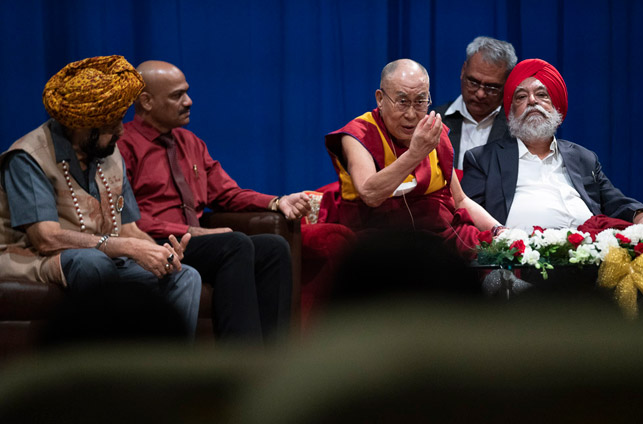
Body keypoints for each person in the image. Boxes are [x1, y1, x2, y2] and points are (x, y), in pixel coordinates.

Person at [0, 55, 202, 338]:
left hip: (100, 256)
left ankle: (166, 375)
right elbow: (45, 238)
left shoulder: (108, 151)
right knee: (91, 262)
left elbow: (130, 228)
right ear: (83, 126)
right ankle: (105, 375)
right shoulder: (29, 156)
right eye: (112, 124)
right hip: (33, 257)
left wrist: (162, 254)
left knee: (184, 275)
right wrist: (127, 247)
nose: (121, 130)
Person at [118, 60, 311, 344]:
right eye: (177, 96)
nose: (189, 101)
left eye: (187, 92)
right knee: (234, 245)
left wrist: (277, 201)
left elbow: (227, 193)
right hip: (153, 242)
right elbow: (123, 217)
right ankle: (239, 360)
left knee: (273, 248)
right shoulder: (123, 146)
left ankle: (275, 358)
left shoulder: (191, 142)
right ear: (146, 101)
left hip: (196, 244)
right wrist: (193, 232)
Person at [324, 59, 501, 256]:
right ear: (380, 99)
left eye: (419, 102)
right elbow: (370, 194)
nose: (410, 114)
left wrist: (501, 231)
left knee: (494, 255)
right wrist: (415, 154)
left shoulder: (432, 132)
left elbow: (460, 200)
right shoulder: (359, 134)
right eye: (402, 102)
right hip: (379, 244)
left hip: (440, 236)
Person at [462, 58, 643, 233]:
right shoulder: (483, 159)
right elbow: (466, 220)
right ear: (511, 112)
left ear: (556, 106)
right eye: (521, 97)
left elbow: (614, 200)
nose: (532, 101)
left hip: (588, 259)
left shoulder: (583, 158)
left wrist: (641, 215)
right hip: (519, 265)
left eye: (542, 94)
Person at [433, 36, 517, 170]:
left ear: (507, 83)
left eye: (492, 87)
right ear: (463, 71)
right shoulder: (435, 121)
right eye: (473, 82)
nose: (480, 94)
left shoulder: (517, 128)